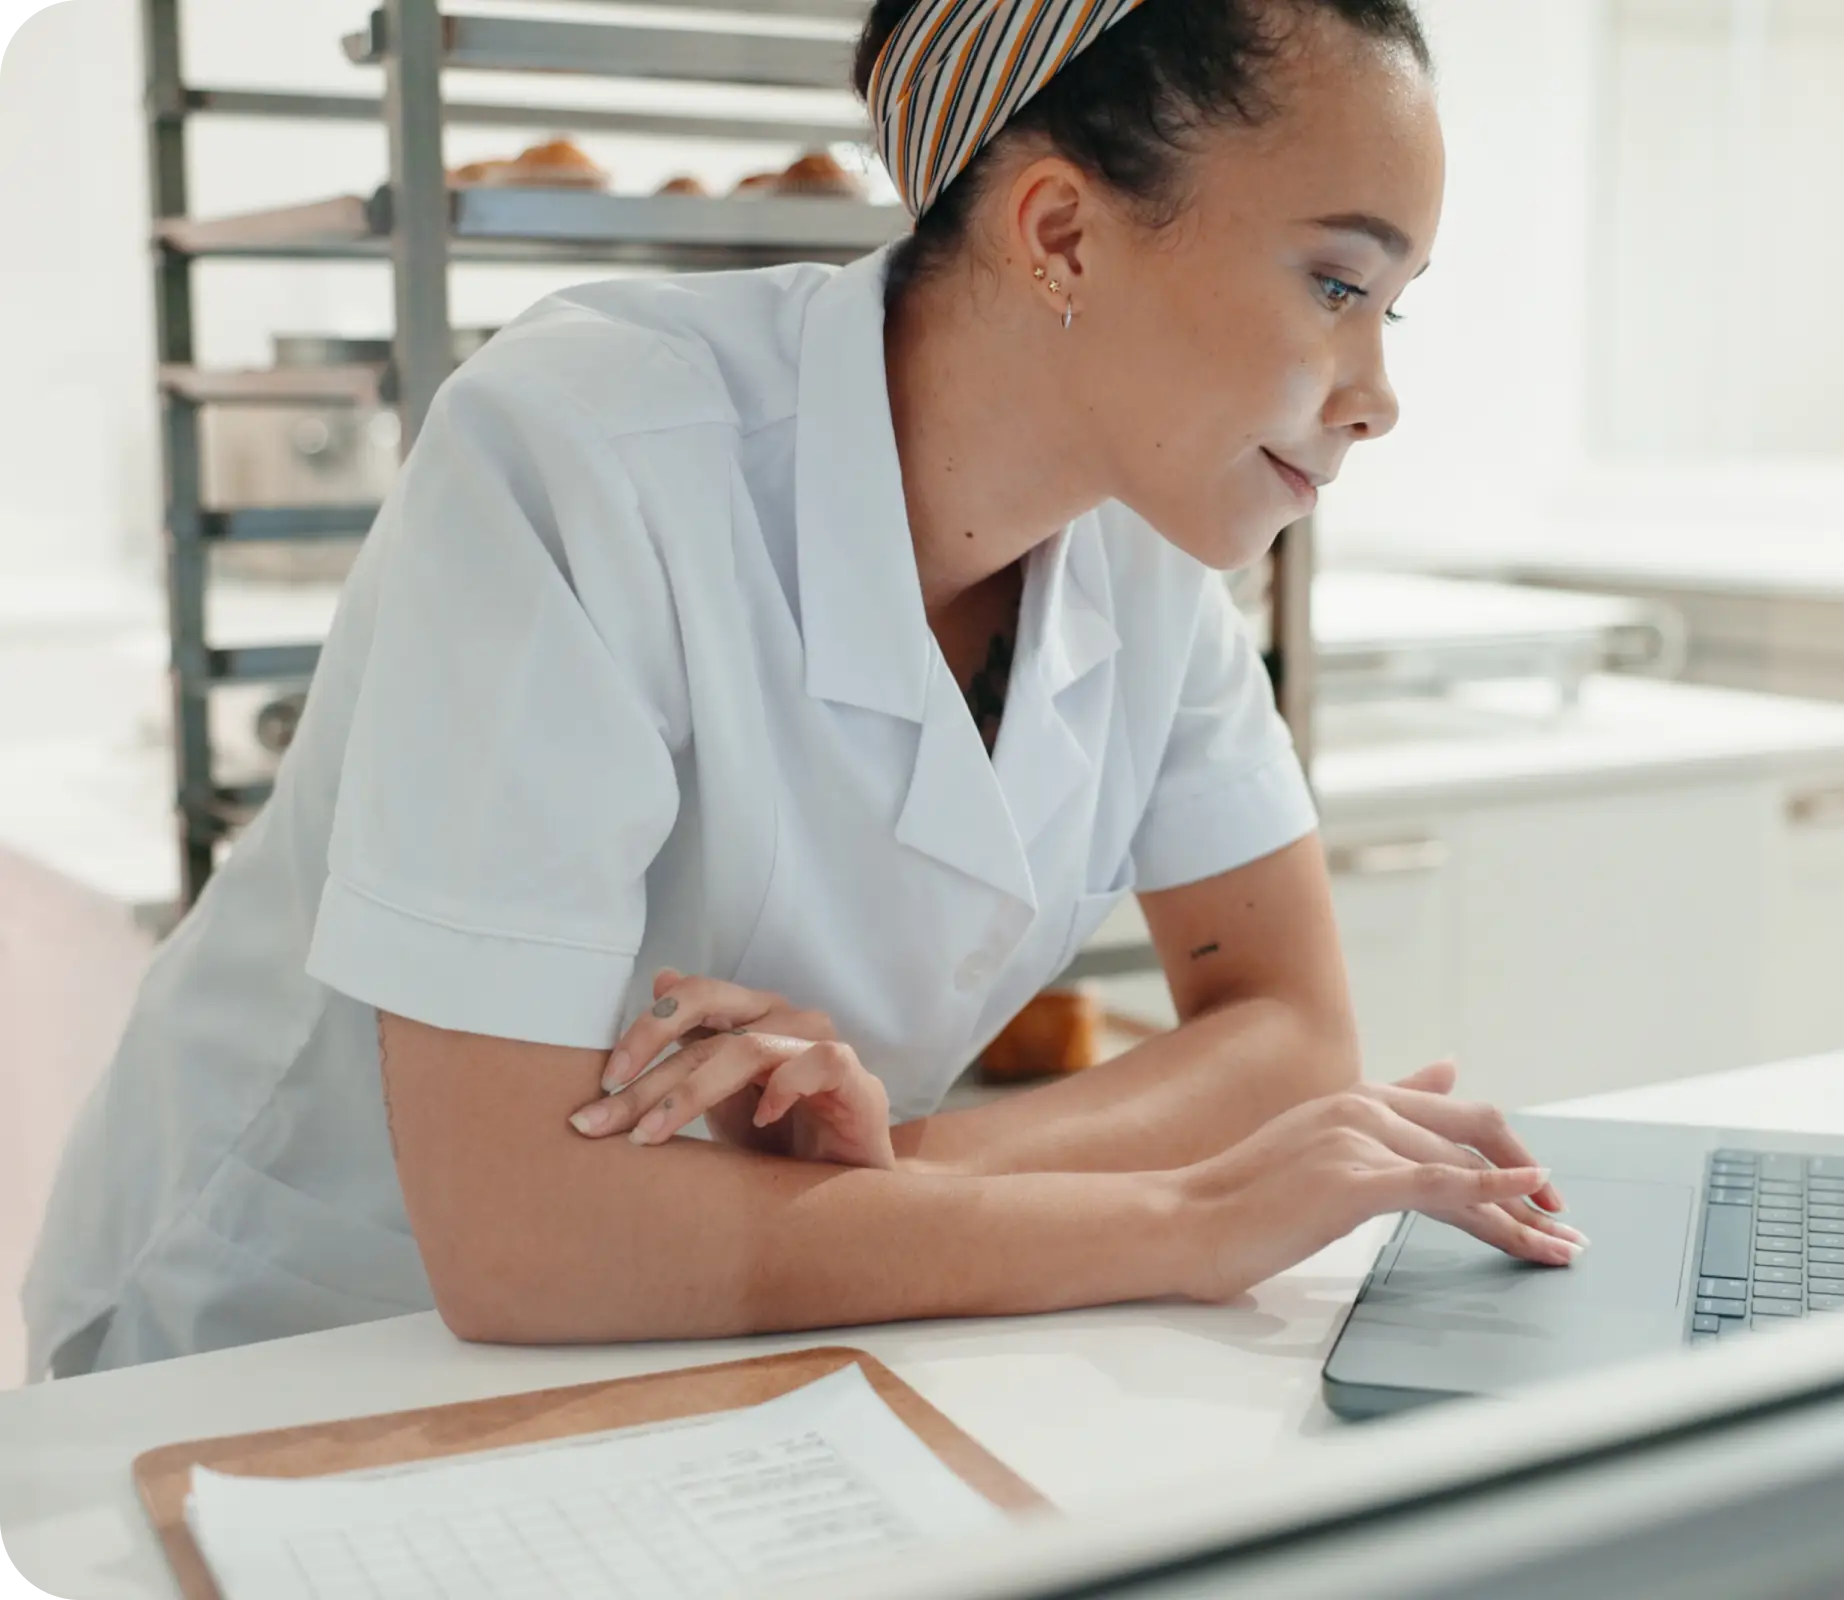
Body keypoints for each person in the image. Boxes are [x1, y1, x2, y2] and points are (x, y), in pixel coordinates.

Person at [22, 0, 1584, 1380]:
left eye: (1391, 306)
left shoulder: (1148, 550)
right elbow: (523, 1238)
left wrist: (890, 1176)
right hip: (296, 1329)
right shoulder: (586, 450)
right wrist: (1182, 1217)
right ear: (1059, 234)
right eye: (1335, 284)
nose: (1379, 396)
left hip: (719, 1319)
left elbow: (1287, 1035)